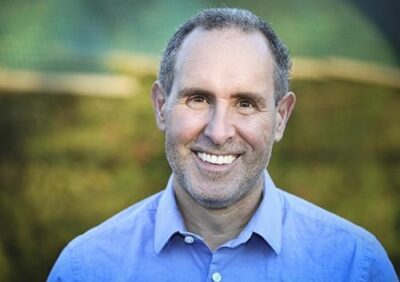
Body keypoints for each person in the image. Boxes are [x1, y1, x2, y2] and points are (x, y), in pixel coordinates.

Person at [48, 8, 398, 281]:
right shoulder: (86, 268)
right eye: (198, 99)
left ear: (281, 117)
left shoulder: (355, 266)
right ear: (160, 107)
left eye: (245, 103)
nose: (218, 132)